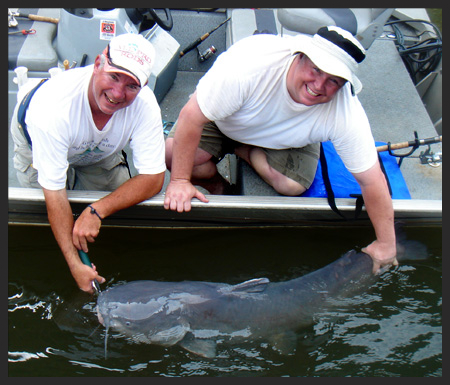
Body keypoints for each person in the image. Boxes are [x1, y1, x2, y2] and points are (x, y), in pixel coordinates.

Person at [164, 26, 397, 272]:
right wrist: (179, 180)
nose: (318, 85)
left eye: (333, 81)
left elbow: (372, 181)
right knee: (172, 155)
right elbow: (191, 116)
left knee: (292, 185)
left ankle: (246, 151)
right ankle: (219, 187)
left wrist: (386, 244)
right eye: (316, 70)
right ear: (299, 56)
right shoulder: (248, 68)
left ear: (343, 86)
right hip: (225, 120)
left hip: (288, 140)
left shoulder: (346, 112)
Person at [10, 33, 166, 293]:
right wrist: (74, 265)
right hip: (38, 140)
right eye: (114, 76)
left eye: (131, 85)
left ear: (144, 85)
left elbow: (154, 178)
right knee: (43, 211)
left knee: (118, 201)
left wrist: (96, 210)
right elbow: (55, 195)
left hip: (98, 151)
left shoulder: (145, 105)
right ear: (97, 64)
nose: (118, 93)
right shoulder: (53, 112)